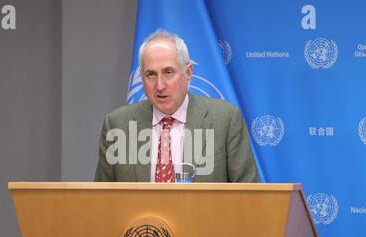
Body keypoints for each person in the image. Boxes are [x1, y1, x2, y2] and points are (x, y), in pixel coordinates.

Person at [94, 30, 259, 183]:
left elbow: (249, 197)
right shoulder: (117, 125)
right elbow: (102, 201)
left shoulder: (226, 120)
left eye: (168, 72)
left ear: (188, 73)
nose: (159, 85)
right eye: (151, 74)